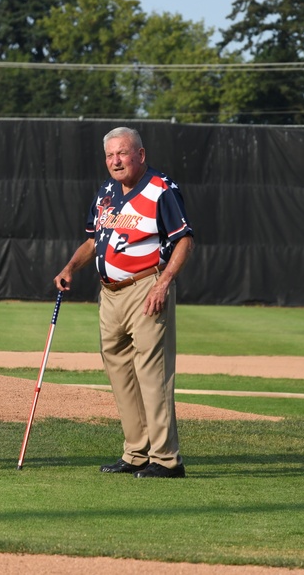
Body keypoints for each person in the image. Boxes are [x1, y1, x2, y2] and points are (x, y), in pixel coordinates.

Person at [54, 127, 194, 479]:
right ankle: (136, 452)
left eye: (122, 153)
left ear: (141, 155)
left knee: (153, 373)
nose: (115, 160)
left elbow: (184, 241)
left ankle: (165, 459)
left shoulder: (161, 188)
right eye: (110, 155)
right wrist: (71, 267)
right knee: (120, 374)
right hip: (109, 294)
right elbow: (93, 239)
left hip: (145, 288)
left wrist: (163, 283)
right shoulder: (106, 193)